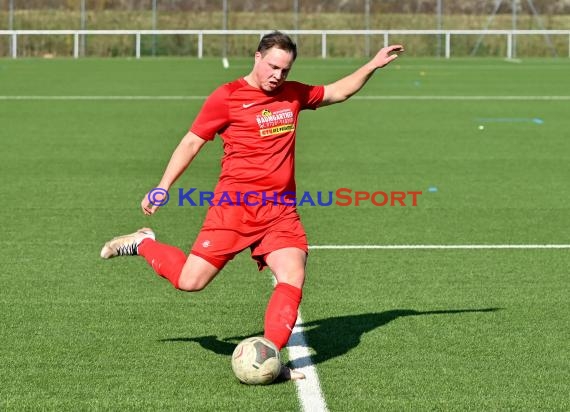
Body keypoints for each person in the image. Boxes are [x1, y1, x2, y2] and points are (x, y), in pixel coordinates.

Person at [101, 31, 403, 381]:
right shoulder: (227, 97)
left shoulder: (292, 94)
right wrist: (163, 187)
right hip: (233, 209)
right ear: (257, 57)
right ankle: (144, 242)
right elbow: (191, 142)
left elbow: (338, 91)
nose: (278, 75)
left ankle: (270, 357)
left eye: (285, 70)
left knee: (293, 273)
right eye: (273, 66)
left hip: (279, 212)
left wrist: (373, 65)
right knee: (190, 282)